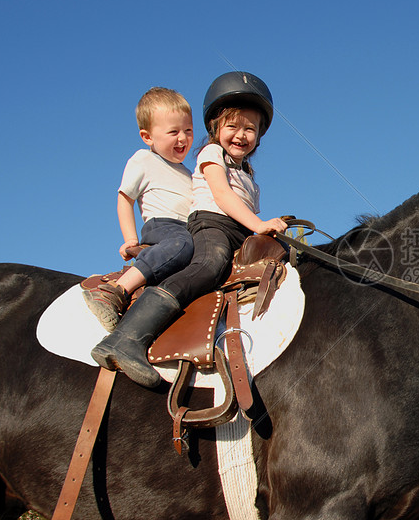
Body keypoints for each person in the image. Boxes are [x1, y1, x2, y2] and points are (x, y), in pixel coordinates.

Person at [91, 71, 288, 387]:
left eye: (250, 129)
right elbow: (222, 196)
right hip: (212, 225)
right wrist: (259, 225)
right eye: (233, 126)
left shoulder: (249, 174)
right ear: (215, 128)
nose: (241, 134)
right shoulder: (211, 154)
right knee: (208, 266)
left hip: (237, 232)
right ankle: (126, 338)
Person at [83, 87, 195, 331]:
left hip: (188, 230)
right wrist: (130, 238)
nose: (183, 138)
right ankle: (117, 290)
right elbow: (125, 198)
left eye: (188, 130)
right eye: (173, 131)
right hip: (163, 227)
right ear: (147, 137)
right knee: (181, 245)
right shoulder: (144, 160)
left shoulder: (190, 173)